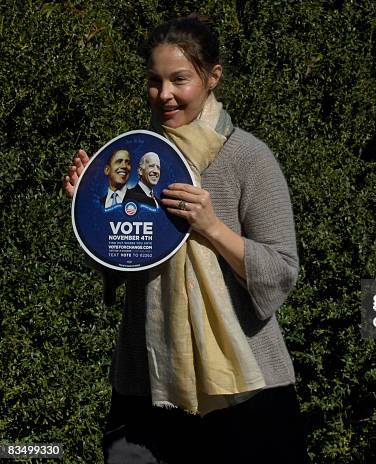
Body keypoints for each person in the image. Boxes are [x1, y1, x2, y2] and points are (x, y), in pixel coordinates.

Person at [63, 15, 303, 463]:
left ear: (213, 77)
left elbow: (281, 271)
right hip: (148, 383)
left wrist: (212, 227)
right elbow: (117, 266)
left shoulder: (248, 157)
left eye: (180, 79)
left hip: (246, 388)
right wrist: (89, 212)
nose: (165, 94)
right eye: (155, 81)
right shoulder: (132, 156)